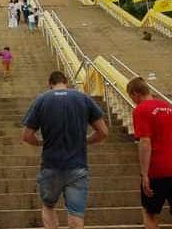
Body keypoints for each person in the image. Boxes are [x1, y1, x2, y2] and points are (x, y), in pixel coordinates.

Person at [21, 71, 108, 229]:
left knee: (48, 206)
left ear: (50, 83)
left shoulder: (42, 100)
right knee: (76, 213)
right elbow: (103, 132)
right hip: (77, 166)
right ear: (66, 82)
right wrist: (85, 140)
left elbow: (27, 136)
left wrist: (41, 142)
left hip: (50, 165)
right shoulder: (83, 98)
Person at [126, 77, 172, 229]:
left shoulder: (141, 110)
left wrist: (144, 174)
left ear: (135, 94)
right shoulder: (171, 109)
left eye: (131, 97)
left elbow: (145, 142)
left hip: (157, 170)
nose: (133, 101)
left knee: (149, 212)